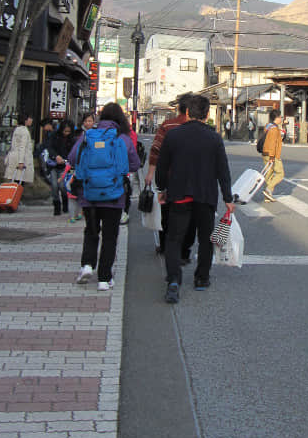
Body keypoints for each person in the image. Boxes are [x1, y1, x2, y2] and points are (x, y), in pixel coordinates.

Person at [155, 94, 234, 304]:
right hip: (205, 196)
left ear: (187, 112)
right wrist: (228, 197)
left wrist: (161, 188)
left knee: (174, 239)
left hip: (179, 194)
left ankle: (173, 280)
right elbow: (222, 170)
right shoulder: (214, 138)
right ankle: (201, 278)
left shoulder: (174, 135)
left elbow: (162, 166)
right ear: (207, 114)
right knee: (205, 238)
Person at [69, 102, 140, 290]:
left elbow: (72, 158)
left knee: (91, 232)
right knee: (110, 236)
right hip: (114, 195)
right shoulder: (122, 138)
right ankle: (104, 278)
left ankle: (86, 265)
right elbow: (134, 164)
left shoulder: (88, 135)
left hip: (89, 194)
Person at [145, 93, 192, 256]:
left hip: (168, 177)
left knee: (166, 212)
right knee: (188, 214)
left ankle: (165, 246)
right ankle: (184, 250)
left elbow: (156, 150)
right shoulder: (198, 128)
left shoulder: (167, 125)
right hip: (190, 180)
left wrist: (150, 173)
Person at [68, 112, 95, 223]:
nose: (88, 123)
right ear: (83, 122)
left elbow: (72, 156)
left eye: (90, 121)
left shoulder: (93, 134)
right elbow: (74, 154)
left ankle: (83, 211)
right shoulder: (80, 135)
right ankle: (81, 212)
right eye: (86, 121)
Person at [46, 119, 76, 215]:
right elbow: (49, 148)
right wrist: (56, 156)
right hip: (53, 165)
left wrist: (67, 160)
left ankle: (65, 203)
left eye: (68, 131)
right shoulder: (54, 136)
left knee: (63, 186)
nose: (66, 133)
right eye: (65, 131)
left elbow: (73, 152)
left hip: (65, 166)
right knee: (54, 185)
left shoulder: (72, 139)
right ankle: (56, 205)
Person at [3, 111, 34, 186]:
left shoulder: (17, 129)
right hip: (21, 158)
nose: (31, 120)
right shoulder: (24, 131)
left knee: (14, 181)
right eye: (30, 118)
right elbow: (22, 147)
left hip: (14, 157)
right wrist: (21, 162)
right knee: (19, 181)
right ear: (25, 120)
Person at [261, 109, 285, 203]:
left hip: (265, 152)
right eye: (280, 117)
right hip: (272, 154)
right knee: (280, 174)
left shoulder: (268, 126)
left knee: (269, 174)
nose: (281, 119)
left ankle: (267, 196)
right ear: (277, 117)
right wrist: (272, 157)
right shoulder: (274, 129)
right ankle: (268, 190)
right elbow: (272, 143)